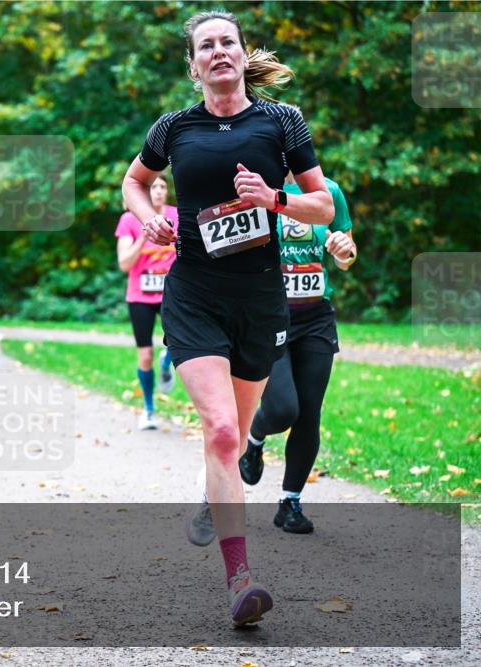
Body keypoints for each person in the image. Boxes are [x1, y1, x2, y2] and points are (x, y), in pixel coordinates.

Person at [121, 10, 335, 626]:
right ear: (193, 65)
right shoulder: (174, 127)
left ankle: (216, 493)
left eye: (227, 43)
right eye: (206, 46)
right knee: (219, 432)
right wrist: (148, 218)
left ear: (243, 55)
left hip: (261, 298)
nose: (218, 52)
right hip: (193, 295)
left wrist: (274, 199)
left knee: (235, 438)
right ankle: (240, 579)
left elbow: (322, 205)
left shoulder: (281, 121)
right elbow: (134, 183)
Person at [239, 172, 356, 533]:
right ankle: (254, 438)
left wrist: (342, 252)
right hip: (269, 316)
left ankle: (290, 501)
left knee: (308, 413)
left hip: (316, 317)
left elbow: (347, 252)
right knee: (282, 408)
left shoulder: (328, 190)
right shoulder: (256, 186)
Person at [115, 175, 179, 431]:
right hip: (140, 296)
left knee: (179, 338)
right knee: (145, 356)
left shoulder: (176, 214)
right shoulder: (129, 219)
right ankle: (149, 410)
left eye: (163, 186)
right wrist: (143, 236)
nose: (159, 190)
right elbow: (124, 264)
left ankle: (167, 363)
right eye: (153, 186)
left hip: (172, 292)